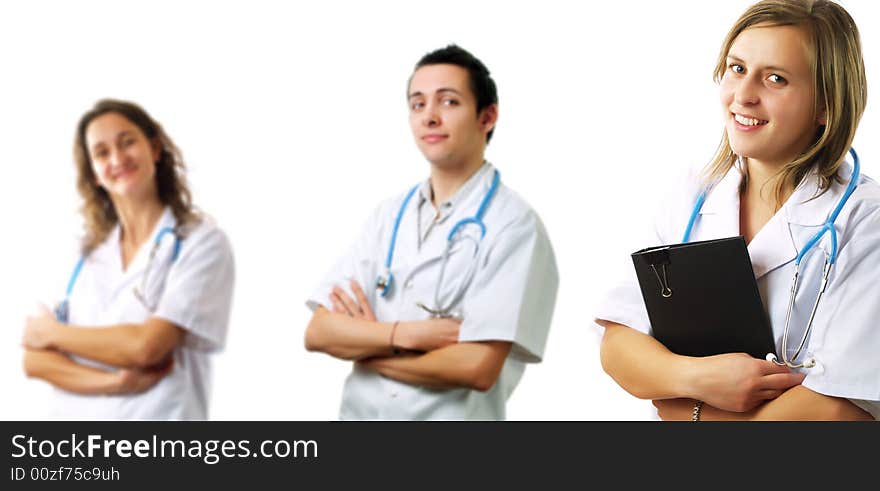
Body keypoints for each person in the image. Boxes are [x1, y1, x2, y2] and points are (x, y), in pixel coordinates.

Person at [596, 0, 878, 421]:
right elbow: (619, 344)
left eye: (776, 79)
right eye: (737, 68)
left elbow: (839, 409)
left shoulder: (863, 220)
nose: (743, 96)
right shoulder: (695, 193)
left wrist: (691, 413)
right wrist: (699, 378)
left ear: (825, 104)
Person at [304, 45, 558, 420]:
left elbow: (477, 367)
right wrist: (406, 335)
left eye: (449, 102)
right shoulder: (389, 216)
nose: (430, 117)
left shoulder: (514, 225)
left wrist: (367, 350)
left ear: (487, 116)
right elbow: (319, 332)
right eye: (417, 104)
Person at [22, 99, 235, 420]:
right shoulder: (79, 253)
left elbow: (147, 347)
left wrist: (52, 334)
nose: (118, 158)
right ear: (93, 173)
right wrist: (116, 382)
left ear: (155, 148)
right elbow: (34, 361)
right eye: (102, 153)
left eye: (127, 142)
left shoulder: (200, 243)